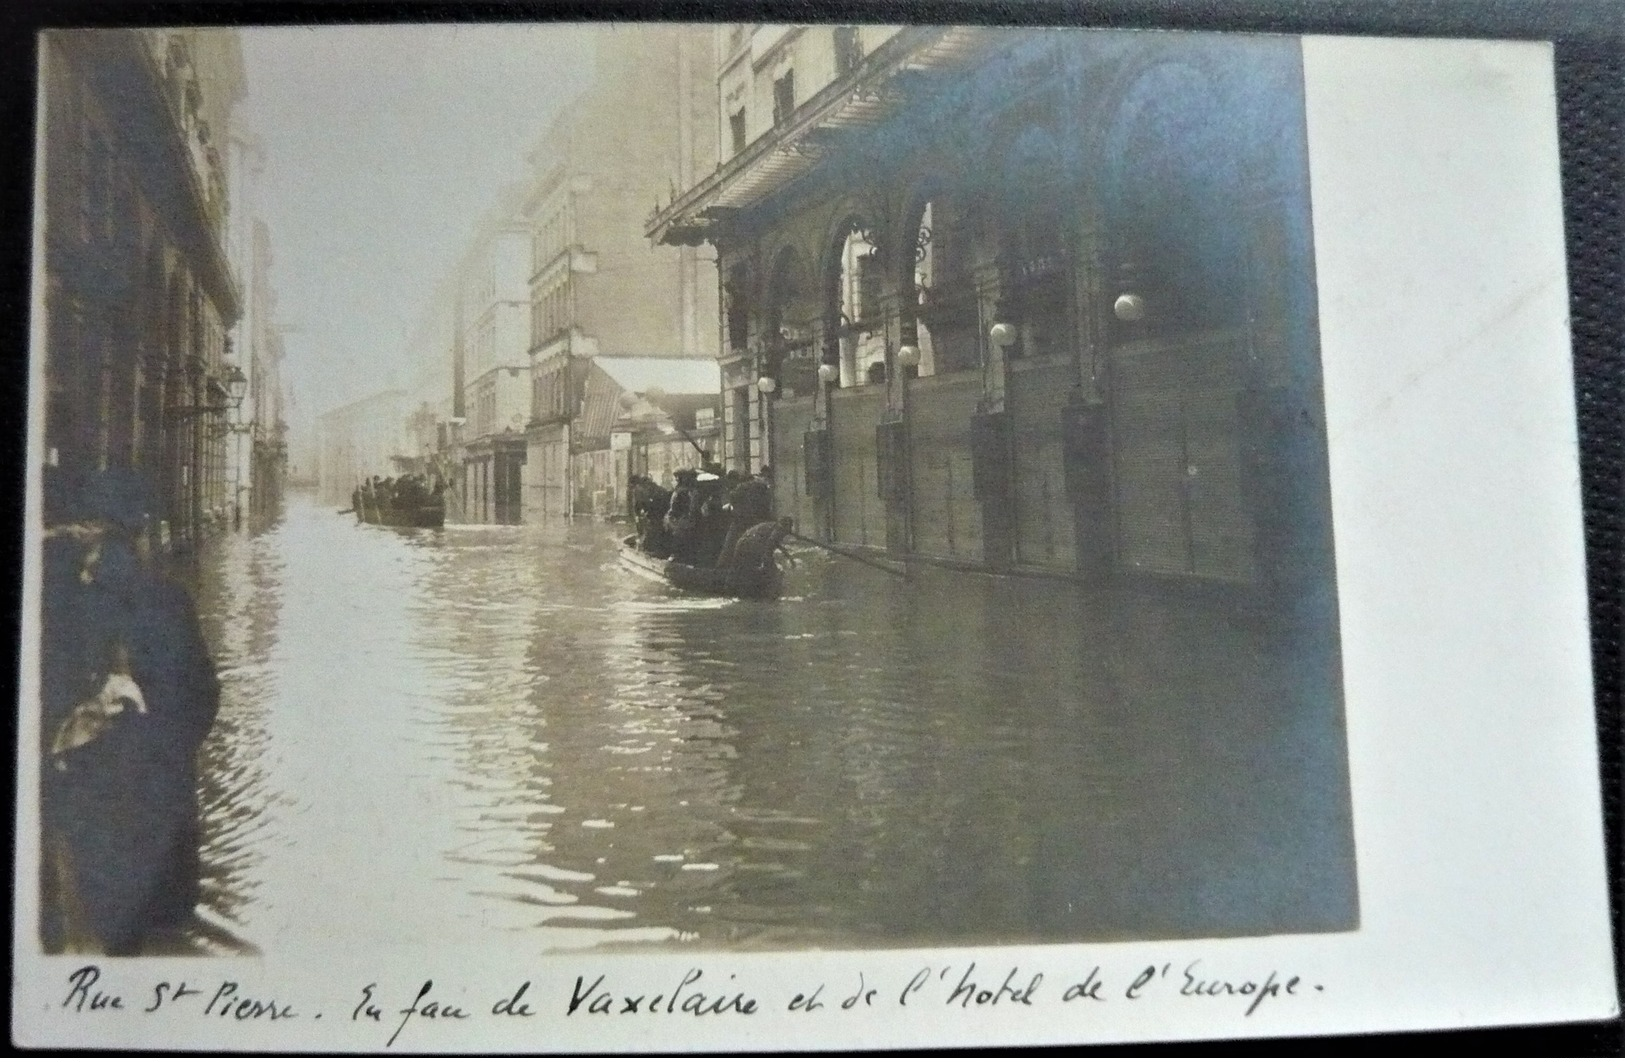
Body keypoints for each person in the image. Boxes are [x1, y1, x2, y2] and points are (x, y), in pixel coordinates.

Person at [39, 466, 221, 955]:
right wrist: (169, 757)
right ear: (141, 533)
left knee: (90, 930)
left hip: (87, 809)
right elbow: (203, 700)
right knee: (138, 936)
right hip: (154, 810)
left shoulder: (62, 606)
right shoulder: (170, 601)